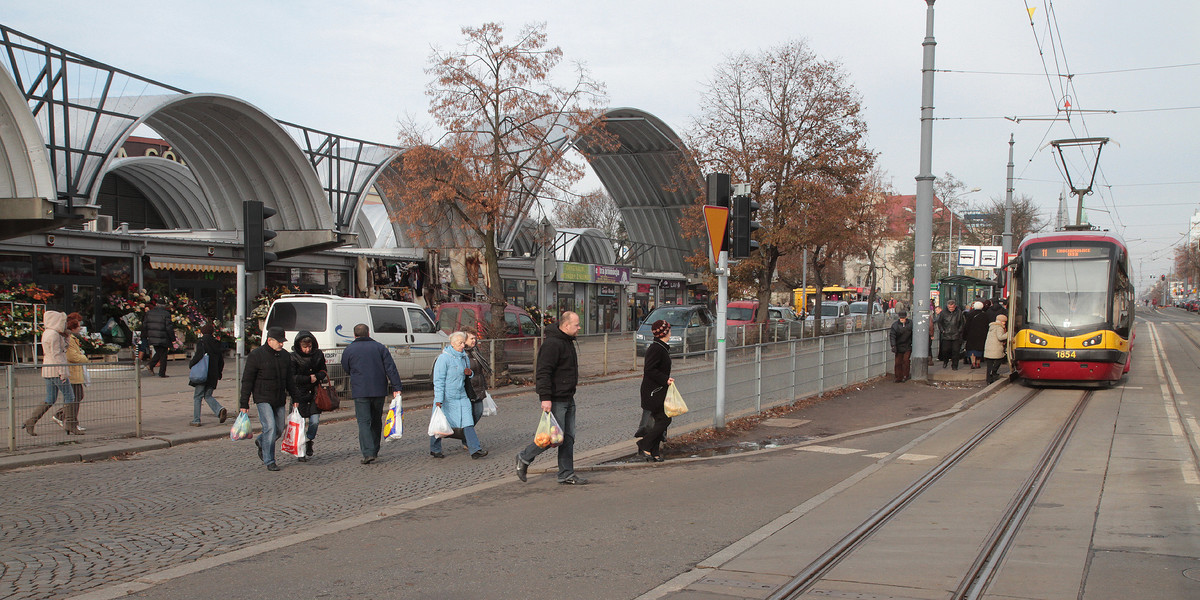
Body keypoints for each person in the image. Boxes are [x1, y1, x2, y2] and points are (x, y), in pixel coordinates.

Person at [515, 311, 588, 485]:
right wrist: (545, 397)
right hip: (555, 398)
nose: (579, 328)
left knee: (567, 438)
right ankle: (525, 457)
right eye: (576, 325)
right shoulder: (553, 344)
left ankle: (566, 474)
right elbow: (543, 372)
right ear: (566, 325)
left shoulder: (567, 341)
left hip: (568, 397)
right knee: (552, 437)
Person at [238, 327, 301, 471]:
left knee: (278, 430)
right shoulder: (256, 355)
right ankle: (269, 460)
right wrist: (244, 402)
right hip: (262, 397)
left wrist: (295, 396)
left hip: (279, 397)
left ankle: (261, 441)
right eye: (279, 342)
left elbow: (289, 380)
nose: (281, 344)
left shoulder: (285, 356)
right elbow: (247, 380)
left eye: (282, 342)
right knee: (270, 427)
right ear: (270, 340)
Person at [341, 323, 404, 464]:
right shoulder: (380, 347)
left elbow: (346, 367)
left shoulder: (349, 349)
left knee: (363, 421)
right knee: (376, 420)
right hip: (378, 389)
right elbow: (390, 368)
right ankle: (375, 449)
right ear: (368, 334)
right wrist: (396, 386)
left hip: (360, 390)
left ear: (355, 335)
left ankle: (368, 452)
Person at [430, 331, 488, 459]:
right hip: (446, 397)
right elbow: (438, 380)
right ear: (452, 343)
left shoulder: (464, 357)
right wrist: (439, 399)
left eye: (463, 342)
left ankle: (475, 449)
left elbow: (468, 375)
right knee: (440, 422)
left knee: (468, 422)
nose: (463, 345)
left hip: (461, 395)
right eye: (460, 343)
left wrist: (470, 373)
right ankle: (435, 448)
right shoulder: (443, 358)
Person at [24, 311, 78, 436]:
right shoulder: (54, 335)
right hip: (57, 369)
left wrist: (66, 336)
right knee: (70, 396)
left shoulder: (48, 333)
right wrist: (62, 372)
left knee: (50, 398)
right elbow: (57, 354)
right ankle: (70, 423)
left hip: (48, 369)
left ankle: (31, 421)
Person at [635, 319, 675, 461]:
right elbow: (650, 370)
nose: (670, 332)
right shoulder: (656, 348)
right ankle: (645, 444)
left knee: (659, 421)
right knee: (664, 420)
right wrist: (665, 379)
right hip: (653, 391)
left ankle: (654, 451)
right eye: (669, 330)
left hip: (657, 390)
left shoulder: (661, 347)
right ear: (664, 333)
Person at [447, 331, 491, 450]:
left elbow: (479, 371)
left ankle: (465, 436)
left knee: (478, 412)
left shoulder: (475, 352)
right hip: (467, 390)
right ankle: (469, 441)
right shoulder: (461, 354)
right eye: (471, 338)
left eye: (475, 338)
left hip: (478, 388)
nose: (474, 341)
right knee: (468, 417)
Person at [289, 330, 327, 462]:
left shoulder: (318, 355)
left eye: (309, 347)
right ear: (299, 346)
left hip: (314, 394)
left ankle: (309, 439)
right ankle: (301, 453)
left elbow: (323, 371)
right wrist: (307, 378)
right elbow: (292, 377)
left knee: (314, 421)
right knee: (299, 425)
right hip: (299, 394)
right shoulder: (293, 357)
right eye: (304, 347)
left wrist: (317, 376)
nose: (307, 349)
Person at [52, 312, 88, 432]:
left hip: (75, 372)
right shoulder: (69, 338)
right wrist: (84, 358)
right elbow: (73, 356)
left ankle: (62, 416)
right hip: (72, 372)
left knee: (77, 396)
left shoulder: (72, 338)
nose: (81, 327)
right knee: (75, 397)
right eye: (79, 325)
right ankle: (69, 420)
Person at [188, 323, 227, 427]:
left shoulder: (202, 342)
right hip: (213, 374)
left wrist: (191, 364)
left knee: (198, 396)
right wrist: (219, 373)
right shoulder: (217, 343)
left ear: (202, 332)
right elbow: (221, 361)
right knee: (208, 395)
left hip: (202, 374)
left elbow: (198, 356)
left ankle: (196, 420)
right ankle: (219, 409)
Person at [141, 299, 174, 377]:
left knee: (160, 353)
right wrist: (173, 338)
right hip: (163, 336)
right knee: (163, 354)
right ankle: (159, 371)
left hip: (152, 336)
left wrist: (143, 336)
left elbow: (145, 325)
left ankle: (152, 367)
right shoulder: (166, 314)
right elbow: (169, 327)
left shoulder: (149, 313)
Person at [934, 300, 966, 370]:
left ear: (955, 306)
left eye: (952, 307)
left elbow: (962, 323)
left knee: (956, 351)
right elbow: (940, 322)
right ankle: (945, 361)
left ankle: (954, 365)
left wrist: (959, 331)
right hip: (946, 334)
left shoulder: (959, 312)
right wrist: (942, 330)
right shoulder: (943, 313)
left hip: (956, 334)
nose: (951, 309)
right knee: (945, 350)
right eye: (949, 307)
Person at [963, 301, 991, 369]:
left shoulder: (970, 314)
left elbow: (967, 326)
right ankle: (978, 363)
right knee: (979, 349)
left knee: (972, 349)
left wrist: (964, 335)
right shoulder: (985, 315)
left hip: (971, 334)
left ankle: (973, 363)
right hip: (982, 334)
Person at [888, 310, 914, 383]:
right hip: (899, 346)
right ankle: (899, 377)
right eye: (901, 317)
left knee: (906, 361)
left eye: (903, 317)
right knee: (898, 363)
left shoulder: (910, 324)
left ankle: (905, 375)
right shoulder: (896, 325)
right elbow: (892, 336)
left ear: (906, 317)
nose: (902, 319)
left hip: (907, 345)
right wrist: (893, 346)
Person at [984, 314, 1010, 384]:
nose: (1005, 323)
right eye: (1004, 321)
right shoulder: (999, 327)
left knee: (989, 364)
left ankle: (988, 379)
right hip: (996, 347)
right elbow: (1000, 337)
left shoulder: (992, 326)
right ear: (1002, 321)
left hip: (989, 347)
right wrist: (1008, 334)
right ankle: (993, 373)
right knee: (999, 360)